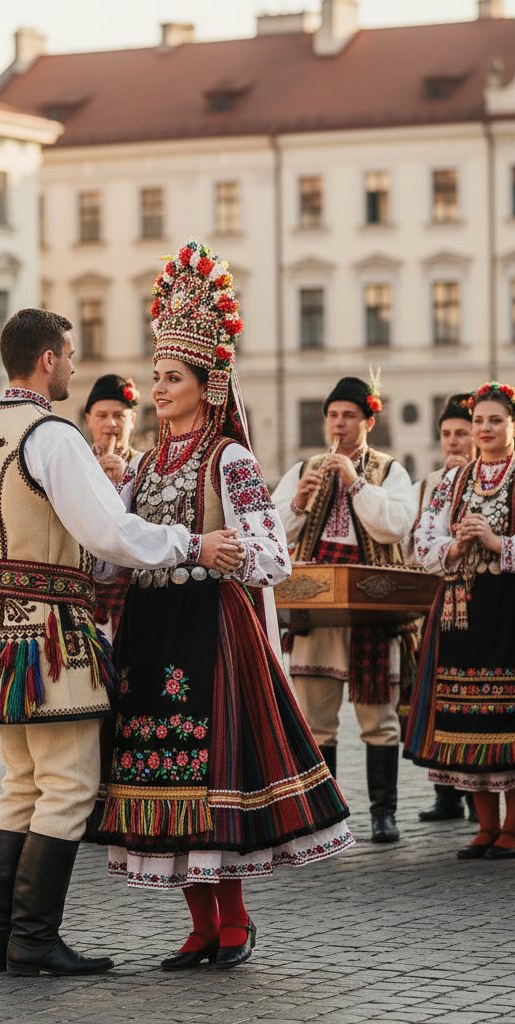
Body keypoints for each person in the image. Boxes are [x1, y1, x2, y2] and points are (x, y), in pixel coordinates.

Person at [0, 307, 242, 976]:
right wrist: (191, 542)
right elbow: (108, 533)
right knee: (69, 784)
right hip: (50, 636)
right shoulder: (53, 436)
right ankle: (34, 941)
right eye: (68, 355)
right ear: (47, 360)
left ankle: (2, 939)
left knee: (20, 782)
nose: (73, 366)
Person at [91, 239, 352, 971]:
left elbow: (273, 553)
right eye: (156, 375)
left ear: (207, 385)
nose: (159, 388)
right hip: (149, 629)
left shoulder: (228, 459)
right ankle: (199, 923)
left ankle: (232, 919)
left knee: (213, 772)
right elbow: (113, 551)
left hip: (210, 631)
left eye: (172, 377)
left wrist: (227, 549)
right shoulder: (143, 464)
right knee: (160, 770)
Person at [405, 381, 515, 860]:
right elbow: (424, 541)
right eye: (478, 420)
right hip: (461, 609)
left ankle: (514, 828)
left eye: (494, 420)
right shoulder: (454, 482)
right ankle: (484, 825)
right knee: (464, 714)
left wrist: (497, 542)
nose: (483, 429)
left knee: (512, 713)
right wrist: (456, 545)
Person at [273, 376, 415, 843]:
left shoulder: (389, 470)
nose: (339, 423)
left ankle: (383, 813)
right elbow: (274, 534)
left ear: (368, 421)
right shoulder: (304, 468)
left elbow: (393, 526)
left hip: (372, 601)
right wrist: (298, 500)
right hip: (316, 601)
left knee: (379, 718)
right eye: (333, 415)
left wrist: (355, 484)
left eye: (349, 416)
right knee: (316, 716)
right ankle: (324, 814)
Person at [406, 393, 478, 824]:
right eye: (447, 434)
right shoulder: (429, 484)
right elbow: (412, 544)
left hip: (476, 598)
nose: (453, 442)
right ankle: (446, 792)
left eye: (462, 433)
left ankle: (477, 796)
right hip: (436, 599)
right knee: (438, 699)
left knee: (470, 695)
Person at [83, 374, 142, 635]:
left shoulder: (145, 465)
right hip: (82, 591)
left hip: (129, 591)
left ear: (133, 419)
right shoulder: (76, 463)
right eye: (102, 415)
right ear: (88, 419)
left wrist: (125, 480)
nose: (111, 424)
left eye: (120, 415)